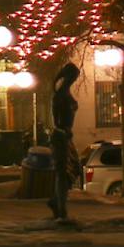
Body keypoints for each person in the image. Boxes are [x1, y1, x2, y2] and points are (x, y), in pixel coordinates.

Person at [49, 62, 81, 221]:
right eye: (74, 77)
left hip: (66, 136)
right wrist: (63, 130)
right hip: (61, 136)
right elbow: (56, 120)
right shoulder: (60, 96)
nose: (74, 80)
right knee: (63, 172)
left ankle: (56, 201)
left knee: (73, 170)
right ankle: (60, 207)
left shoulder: (65, 93)